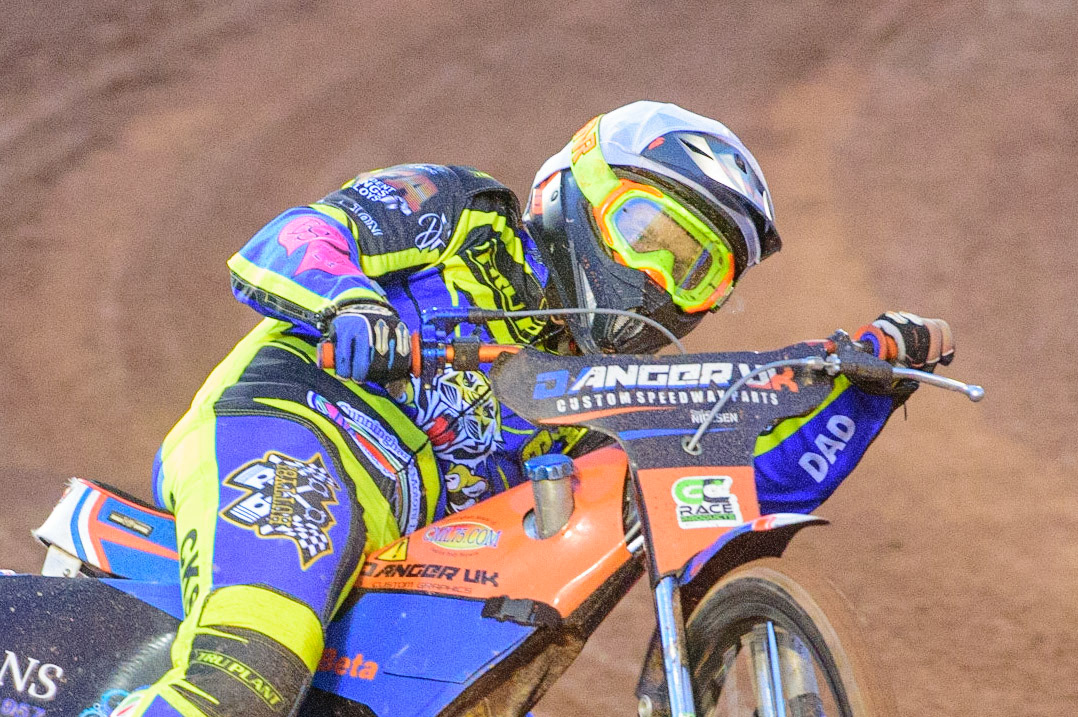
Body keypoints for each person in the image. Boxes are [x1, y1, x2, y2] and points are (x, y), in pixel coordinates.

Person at [110, 101, 953, 716]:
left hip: (416, 554)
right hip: (297, 434)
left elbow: (736, 487)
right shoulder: (464, 215)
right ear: (574, 190)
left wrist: (864, 388)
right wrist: (348, 304)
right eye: (647, 234)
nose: (659, 279)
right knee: (251, 669)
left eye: (697, 270)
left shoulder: (610, 396)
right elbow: (295, 238)